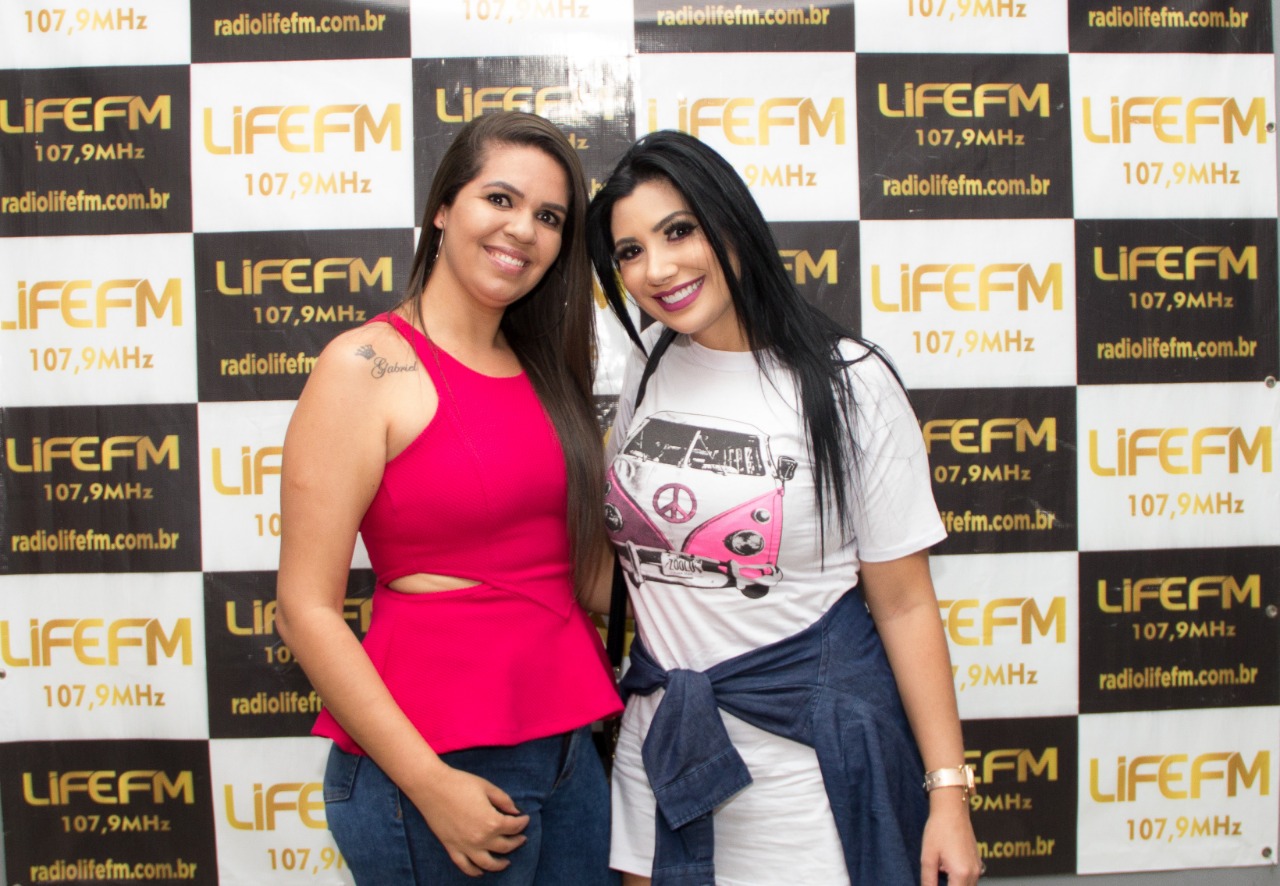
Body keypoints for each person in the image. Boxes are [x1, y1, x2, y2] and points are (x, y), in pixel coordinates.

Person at [586, 130, 982, 886]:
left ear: (731, 221)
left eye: (679, 231)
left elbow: (903, 605)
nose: (657, 268)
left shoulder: (850, 381)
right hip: (662, 747)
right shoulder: (650, 364)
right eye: (630, 251)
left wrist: (948, 795)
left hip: (804, 768)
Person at [275, 111, 623, 885]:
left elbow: (581, 571)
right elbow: (304, 609)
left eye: (549, 217)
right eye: (500, 199)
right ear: (442, 208)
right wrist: (429, 784)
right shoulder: (366, 365)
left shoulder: (546, 371)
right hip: (434, 765)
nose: (522, 229)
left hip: (570, 748)